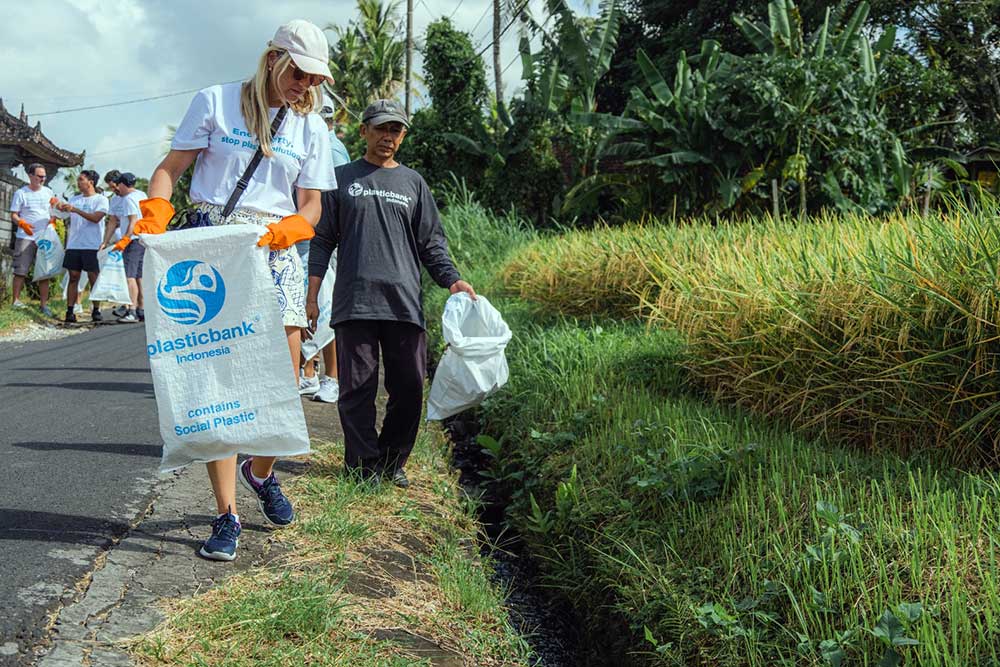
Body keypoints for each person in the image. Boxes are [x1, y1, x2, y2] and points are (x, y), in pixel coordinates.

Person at [127, 19, 337, 561]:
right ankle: (226, 515)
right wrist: (155, 210)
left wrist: (294, 227)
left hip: (275, 247)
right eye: (299, 73)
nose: (305, 86)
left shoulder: (311, 127)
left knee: (285, 382)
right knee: (216, 383)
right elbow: (169, 170)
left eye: (315, 79)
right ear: (273, 59)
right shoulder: (215, 102)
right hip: (214, 246)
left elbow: (311, 204)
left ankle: (260, 471)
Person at [307, 99, 476, 488]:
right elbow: (322, 241)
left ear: (403, 136)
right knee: (357, 390)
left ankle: (391, 462)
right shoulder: (341, 178)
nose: (388, 137)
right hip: (355, 301)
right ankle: (363, 466)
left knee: (410, 387)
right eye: (381, 128)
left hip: (403, 304)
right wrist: (313, 295)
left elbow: (431, 243)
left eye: (396, 130)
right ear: (364, 130)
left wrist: (452, 280)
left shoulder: (413, 182)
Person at [298, 95, 350, 403]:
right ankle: (310, 372)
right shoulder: (317, 143)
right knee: (308, 307)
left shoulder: (329, 148)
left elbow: (335, 200)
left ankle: (332, 376)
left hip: (323, 239)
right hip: (309, 236)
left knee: (323, 308)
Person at [58, 170, 109, 323]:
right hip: (74, 244)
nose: (78, 183)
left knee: (93, 277)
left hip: (92, 244)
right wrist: (60, 207)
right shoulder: (74, 199)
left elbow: (96, 218)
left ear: (90, 182)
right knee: (73, 277)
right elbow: (65, 217)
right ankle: (70, 310)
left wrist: (75, 210)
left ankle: (96, 308)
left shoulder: (101, 200)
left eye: (81, 180)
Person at [9, 163, 56, 317]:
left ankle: (44, 304)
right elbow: (14, 214)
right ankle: (15, 301)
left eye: (44, 176)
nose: (42, 179)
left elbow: (53, 210)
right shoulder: (21, 193)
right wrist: (21, 223)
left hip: (44, 237)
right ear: (30, 176)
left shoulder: (48, 192)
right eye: (39, 176)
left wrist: (53, 220)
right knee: (20, 270)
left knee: (44, 271)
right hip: (25, 236)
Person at [109, 172, 147, 322]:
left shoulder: (128, 199)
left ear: (123, 184)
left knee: (129, 276)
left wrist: (125, 239)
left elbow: (132, 221)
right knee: (139, 277)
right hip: (143, 239)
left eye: (119, 184)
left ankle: (131, 311)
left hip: (133, 240)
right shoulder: (141, 194)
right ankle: (141, 309)